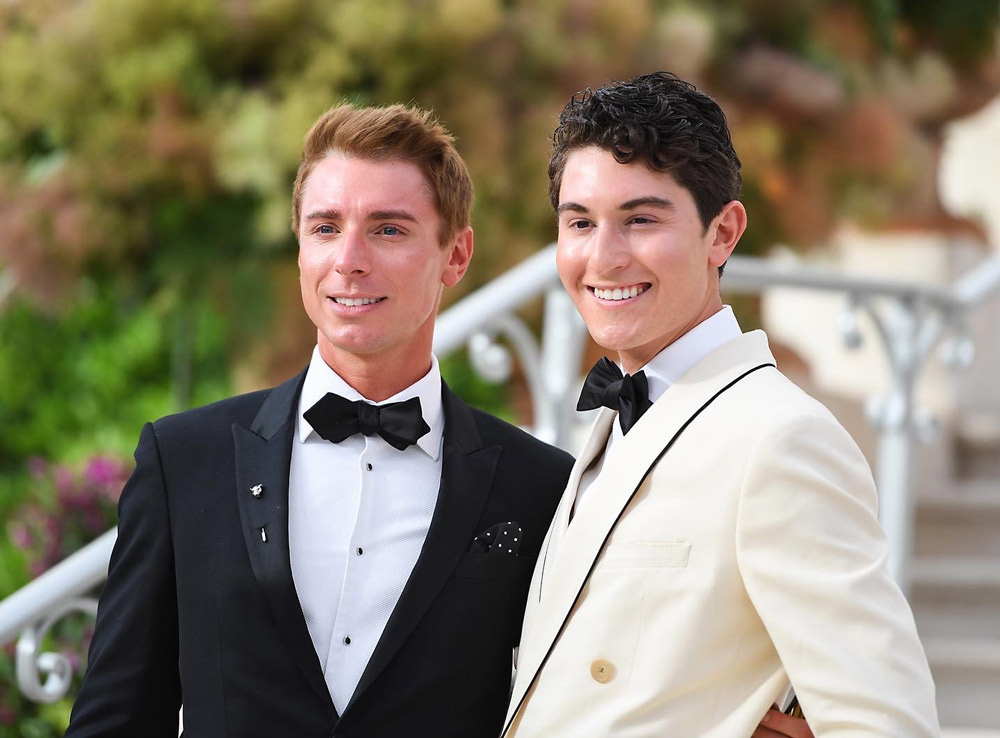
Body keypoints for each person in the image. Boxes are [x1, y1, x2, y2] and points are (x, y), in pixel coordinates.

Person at [65, 103, 574, 738]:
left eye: (389, 230)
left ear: (456, 254)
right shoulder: (183, 461)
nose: (349, 260)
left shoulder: (543, 487)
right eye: (326, 228)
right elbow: (115, 718)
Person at [502, 72, 940, 737]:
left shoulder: (781, 440)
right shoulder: (606, 424)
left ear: (723, 233)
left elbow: (888, 723)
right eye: (580, 223)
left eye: (640, 219)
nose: (604, 256)